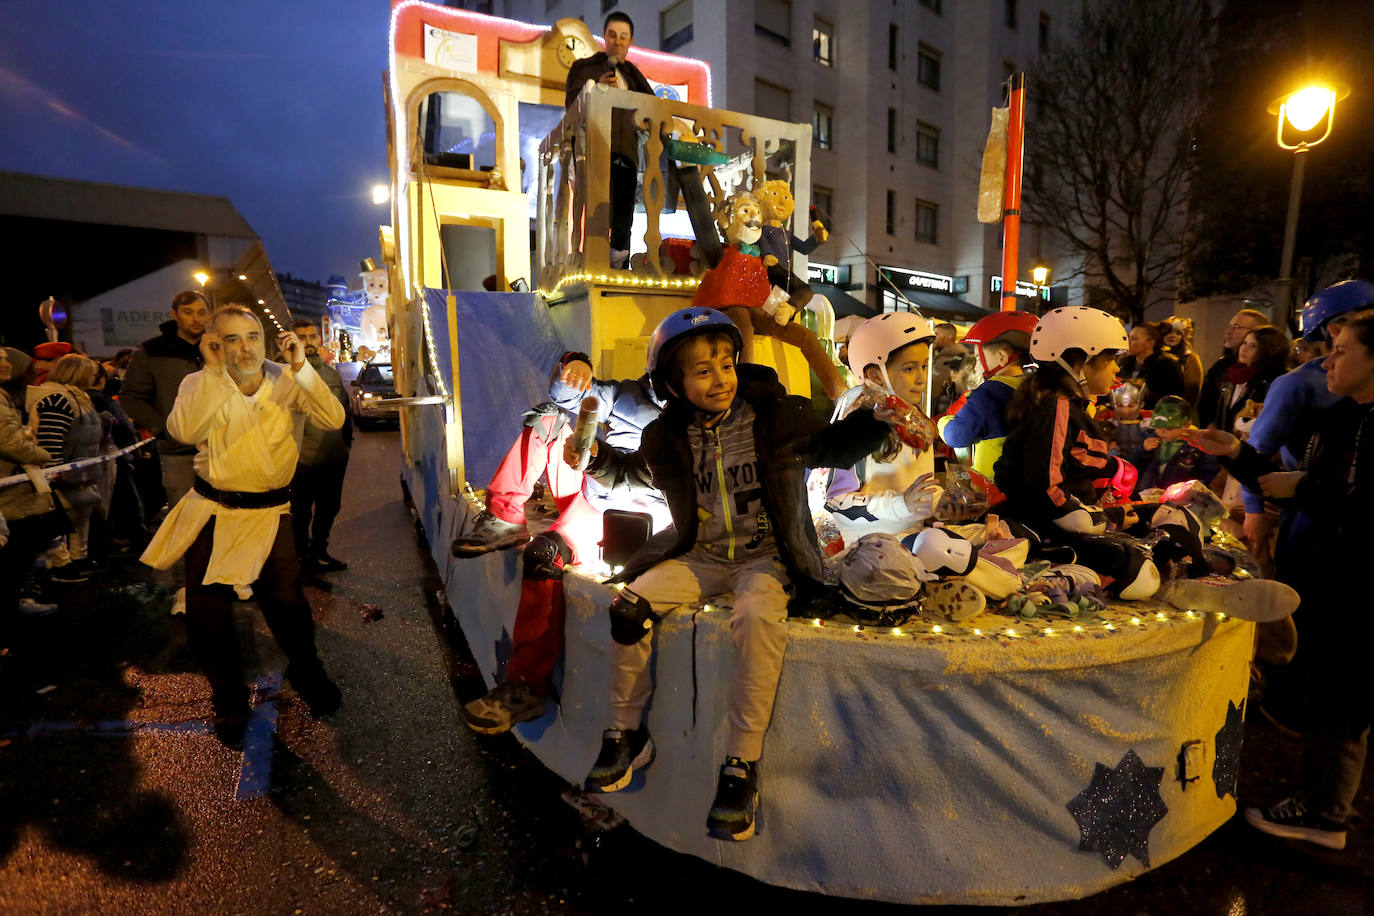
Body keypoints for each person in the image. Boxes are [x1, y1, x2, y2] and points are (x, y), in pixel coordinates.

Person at [579, 307, 889, 841]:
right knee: (628, 607)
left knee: (757, 614)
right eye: (702, 371)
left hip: (766, 556)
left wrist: (879, 421)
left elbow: (831, 445)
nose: (720, 378)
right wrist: (595, 459)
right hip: (702, 556)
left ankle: (740, 764)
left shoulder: (775, 420)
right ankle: (625, 732)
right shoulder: (666, 436)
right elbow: (636, 475)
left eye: (726, 363)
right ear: (674, 384)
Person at [1186, 309, 1374, 851]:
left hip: (1357, 584)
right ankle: (1321, 802)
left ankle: (1325, 816)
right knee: (1324, 691)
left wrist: (1306, 492)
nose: (1327, 360)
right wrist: (1237, 453)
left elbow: (1339, 498)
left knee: (1343, 697)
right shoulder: (1346, 415)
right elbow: (1283, 484)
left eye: (1342, 351)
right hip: (1322, 571)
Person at [140, 305, 346, 749]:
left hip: (271, 514)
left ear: (264, 339)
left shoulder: (286, 376)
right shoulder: (199, 381)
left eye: (251, 336)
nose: (244, 347)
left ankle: (309, 673)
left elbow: (333, 419)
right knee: (208, 613)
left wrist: (301, 365)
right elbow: (183, 430)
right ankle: (229, 700)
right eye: (231, 339)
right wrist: (214, 372)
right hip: (213, 511)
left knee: (286, 603)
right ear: (214, 343)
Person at [455, 352, 668, 734]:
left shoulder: (702, 416)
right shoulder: (628, 396)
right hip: (597, 499)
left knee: (549, 554)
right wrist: (576, 363)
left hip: (655, 518)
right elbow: (568, 397)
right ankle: (506, 517)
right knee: (549, 416)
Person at [994, 307, 1162, 599]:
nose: (1116, 369)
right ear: (1082, 364)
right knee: (1139, 574)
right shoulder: (1055, 409)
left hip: (1065, 519)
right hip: (1046, 528)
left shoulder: (1067, 406)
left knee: (1162, 517)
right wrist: (1104, 517)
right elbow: (1046, 490)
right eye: (1110, 359)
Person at [121, 290, 209, 614]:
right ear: (175, 314)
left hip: (221, 450)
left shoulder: (215, 345)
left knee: (224, 518)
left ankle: (222, 581)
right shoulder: (152, 351)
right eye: (189, 312)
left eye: (202, 312)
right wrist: (162, 428)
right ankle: (186, 589)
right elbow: (131, 396)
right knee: (183, 520)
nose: (197, 318)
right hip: (179, 451)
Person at [823, 313, 943, 545]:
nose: (922, 378)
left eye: (924, 366)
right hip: (868, 549)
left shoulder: (917, 419)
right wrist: (902, 504)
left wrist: (943, 502)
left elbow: (918, 492)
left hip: (914, 541)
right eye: (909, 369)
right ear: (875, 374)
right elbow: (836, 502)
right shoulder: (857, 420)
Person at [565, 13, 649, 270]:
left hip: (626, 152)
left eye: (623, 36)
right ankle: (595, 266)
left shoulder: (633, 75)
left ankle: (619, 268)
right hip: (595, 150)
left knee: (624, 215)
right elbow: (571, 104)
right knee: (597, 213)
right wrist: (594, 87)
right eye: (613, 35)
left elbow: (654, 107)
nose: (618, 41)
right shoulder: (585, 67)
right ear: (605, 37)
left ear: (630, 41)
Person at [28, 354, 104, 583]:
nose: (94, 377)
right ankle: (61, 564)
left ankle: (77, 557)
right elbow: (51, 438)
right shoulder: (57, 399)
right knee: (61, 521)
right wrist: (55, 469)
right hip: (65, 474)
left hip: (78, 472)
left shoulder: (76, 397)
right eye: (90, 372)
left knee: (79, 516)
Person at [937, 311, 1037, 481]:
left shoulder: (989, 394)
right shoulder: (1037, 389)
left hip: (994, 488)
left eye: (977, 357)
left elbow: (957, 436)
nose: (976, 367)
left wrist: (943, 422)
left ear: (1002, 357)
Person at [288, 319, 353, 574]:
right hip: (301, 461)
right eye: (301, 337)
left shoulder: (330, 374)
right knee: (299, 514)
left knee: (328, 510)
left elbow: (344, 410)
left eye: (312, 336)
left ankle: (319, 552)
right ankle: (301, 559)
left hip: (333, 458)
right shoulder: (283, 374)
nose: (308, 341)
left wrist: (345, 446)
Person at [0, 346, 58, 619]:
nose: (5, 363)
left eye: (5, 358)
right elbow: (9, 443)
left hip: (13, 489)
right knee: (14, 557)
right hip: (10, 491)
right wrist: (43, 455)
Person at [1197, 307, 1265, 428]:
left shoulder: (1268, 375)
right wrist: (1209, 423)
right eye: (1229, 326)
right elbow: (1205, 402)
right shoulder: (1221, 366)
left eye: (1237, 327)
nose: (1228, 332)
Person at [1115, 322, 1185, 408]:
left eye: (1134, 339)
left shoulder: (1168, 366)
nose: (1128, 342)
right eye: (1128, 337)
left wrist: (1143, 392)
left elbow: (1173, 401)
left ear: (1151, 343)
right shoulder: (1123, 363)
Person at [1160, 318, 1203, 404]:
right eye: (1169, 332)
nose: (1173, 336)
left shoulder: (1190, 358)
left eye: (1178, 333)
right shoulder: (1155, 356)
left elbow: (1192, 387)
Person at [930, 322, 970, 415]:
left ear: (948, 338)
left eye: (936, 334)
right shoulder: (940, 355)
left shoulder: (956, 359)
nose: (933, 337)